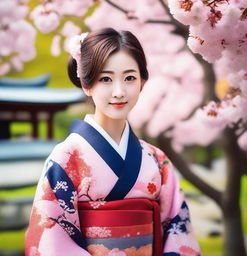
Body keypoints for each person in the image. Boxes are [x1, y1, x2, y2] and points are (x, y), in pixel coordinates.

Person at [25, 27, 201, 256]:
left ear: (142, 82)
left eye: (129, 78)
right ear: (87, 85)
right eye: (105, 79)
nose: (119, 91)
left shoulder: (157, 160)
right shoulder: (67, 157)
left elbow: (179, 231)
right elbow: (50, 238)